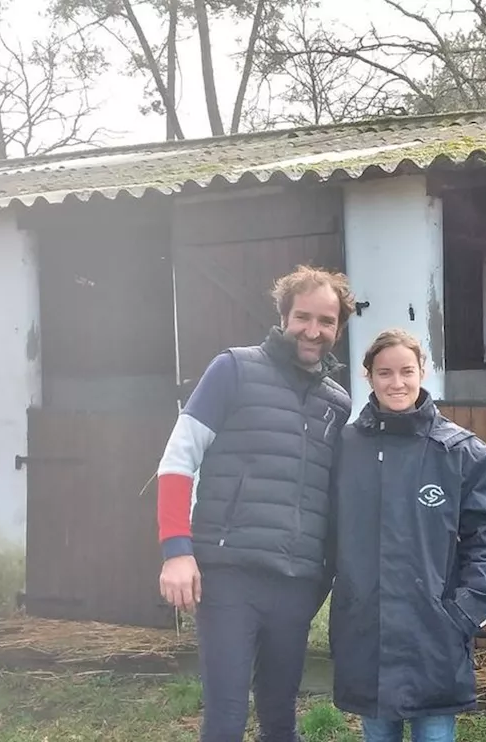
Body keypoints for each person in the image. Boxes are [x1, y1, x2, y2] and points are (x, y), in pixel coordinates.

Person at [155, 265, 355, 742]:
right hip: (229, 574)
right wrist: (176, 550)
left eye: (326, 321)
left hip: (296, 583)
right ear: (283, 316)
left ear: (338, 329)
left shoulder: (338, 402)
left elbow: (334, 498)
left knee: (280, 718)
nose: (313, 331)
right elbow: (177, 460)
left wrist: (324, 576)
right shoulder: (233, 369)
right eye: (302, 317)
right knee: (225, 718)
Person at [327, 328, 486, 742]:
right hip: (366, 632)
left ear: (423, 371)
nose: (397, 383)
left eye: (407, 371)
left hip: (435, 637)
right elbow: (327, 532)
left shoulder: (462, 451)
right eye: (385, 373)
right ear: (368, 376)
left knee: (434, 733)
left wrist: (464, 613)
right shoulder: (347, 446)